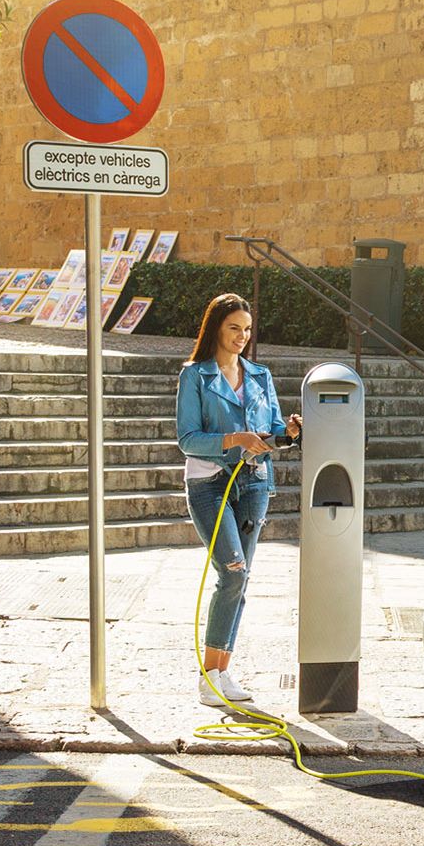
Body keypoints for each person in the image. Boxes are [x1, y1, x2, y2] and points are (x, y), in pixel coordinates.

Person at [176, 294, 300, 706]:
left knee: (241, 577)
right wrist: (235, 440)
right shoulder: (195, 376)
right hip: (210, 484)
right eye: (234, 328)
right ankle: (210, 677)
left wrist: (291, 433)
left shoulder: (260, 376)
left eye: (247, 330)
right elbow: (188, 439)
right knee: (231, 571)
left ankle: (221, 673)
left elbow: (274, 431)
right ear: (215, 328)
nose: (242, 337)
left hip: (254, 484)